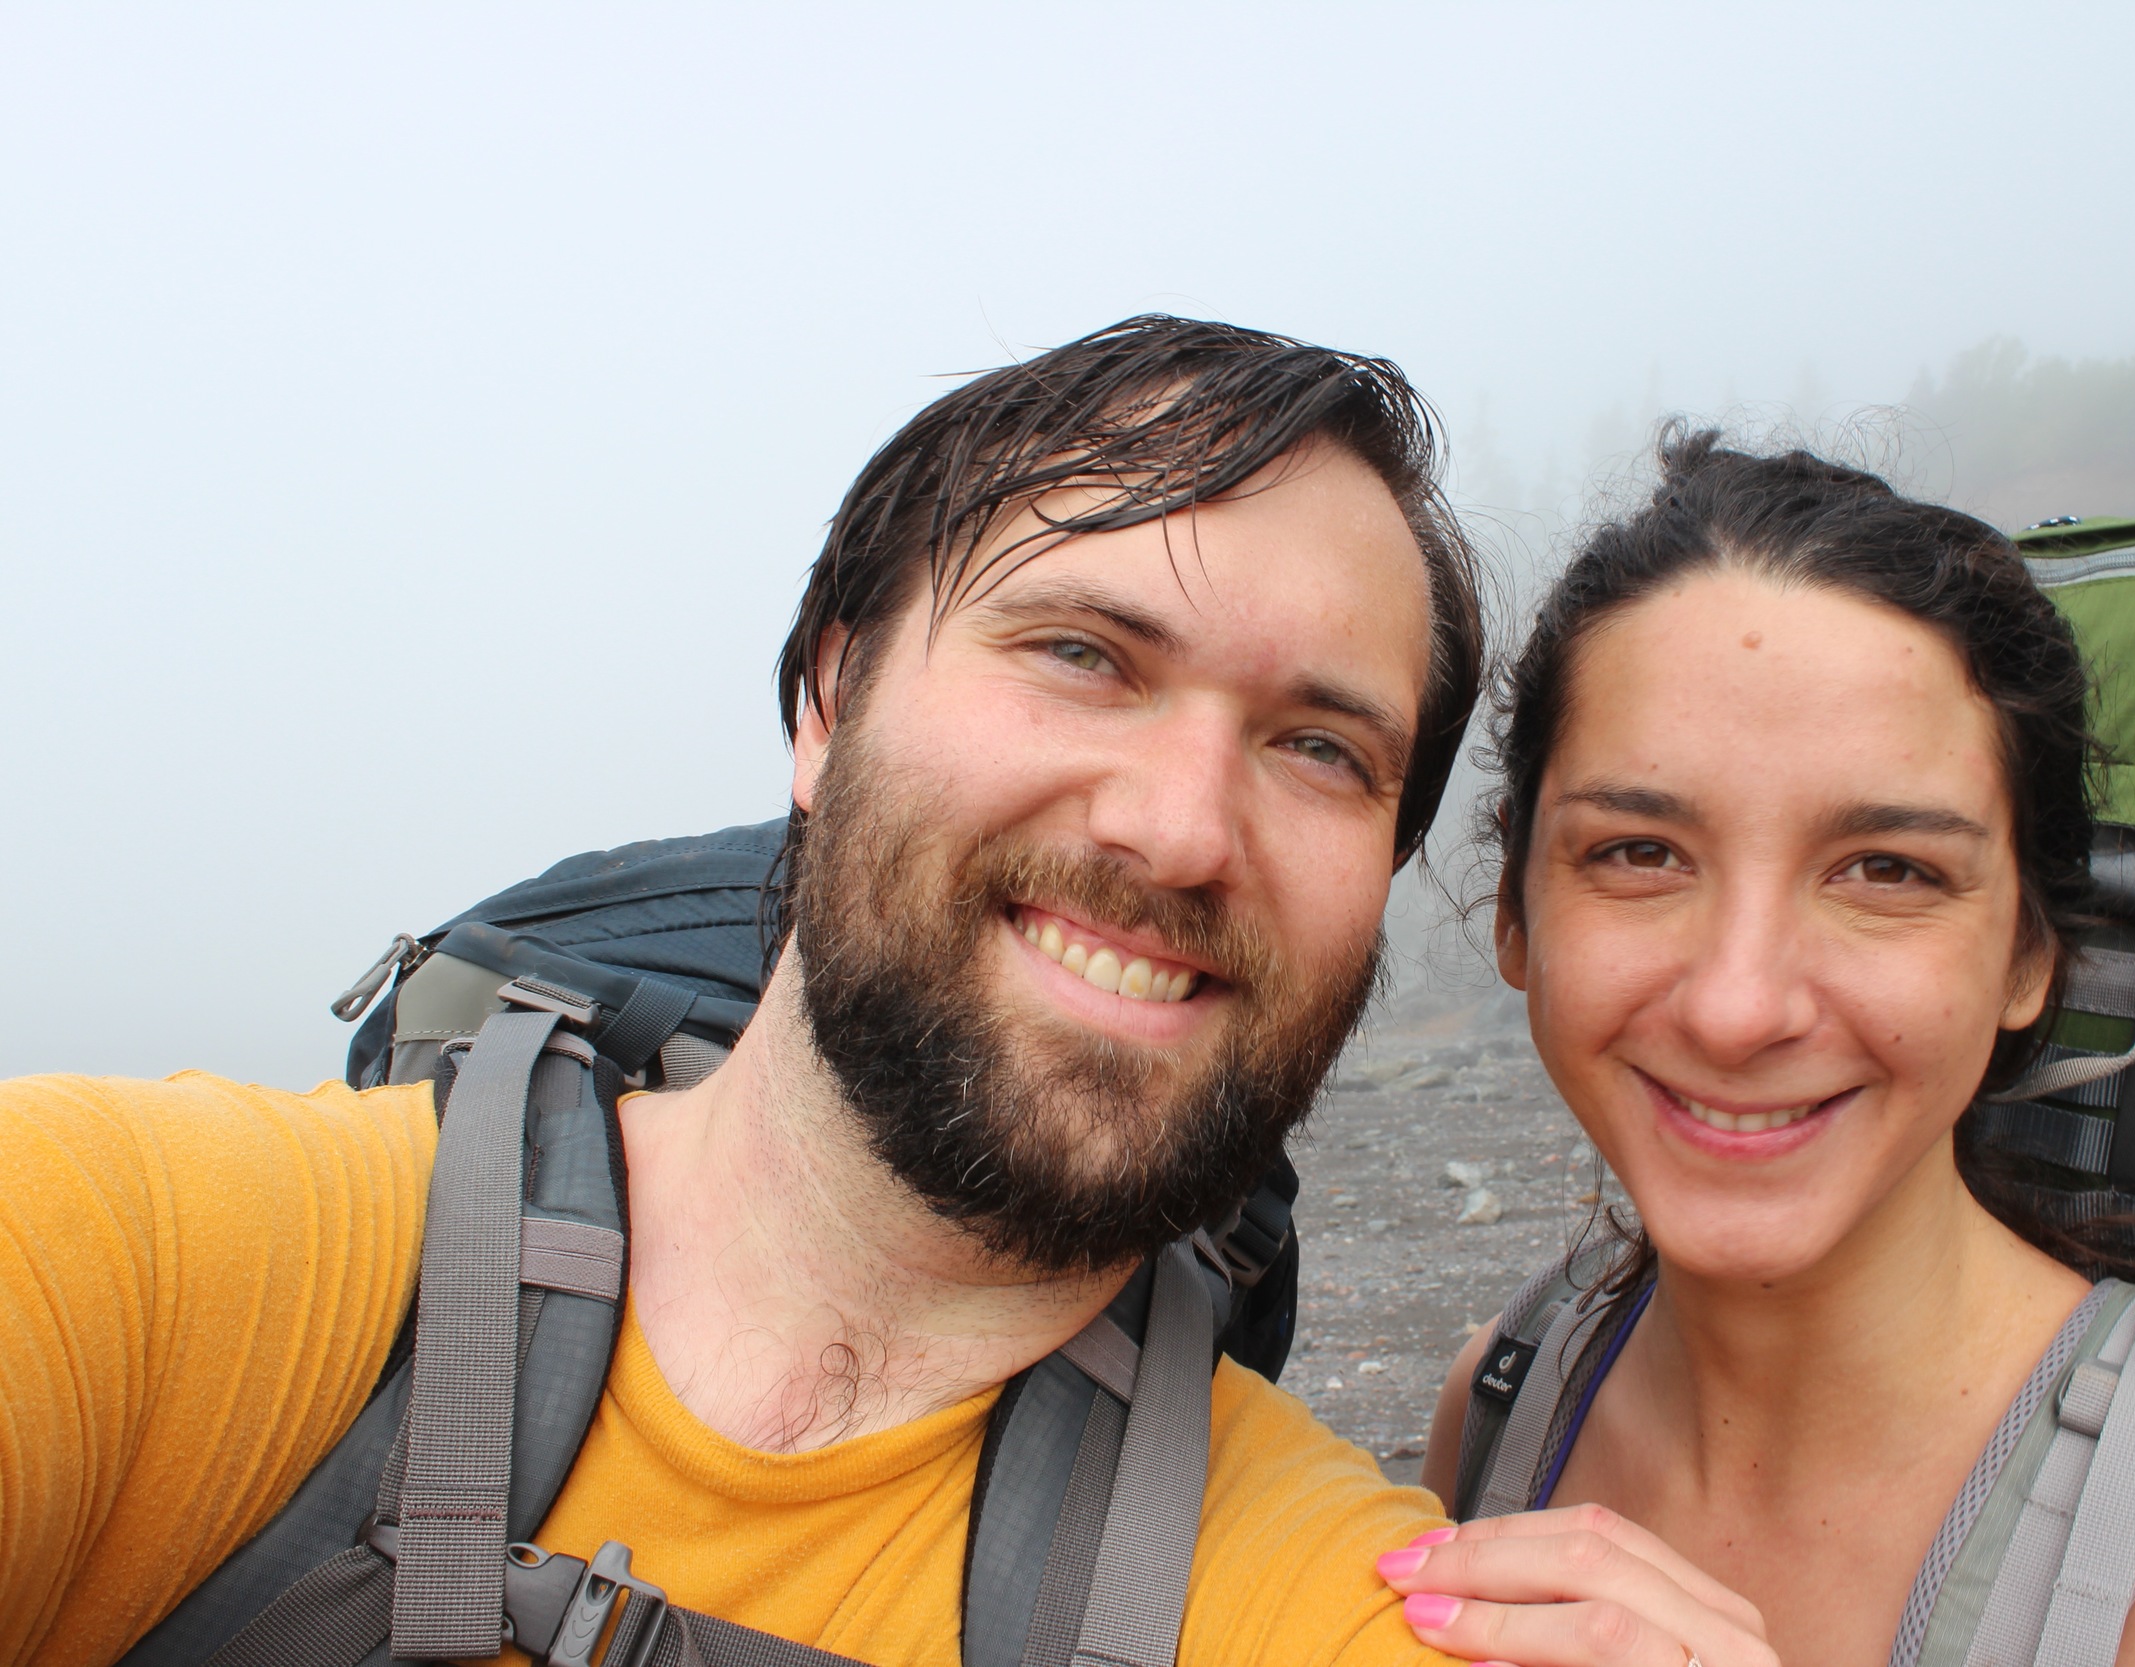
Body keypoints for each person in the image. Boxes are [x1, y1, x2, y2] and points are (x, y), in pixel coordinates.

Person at [0, 316, 1502, 1666]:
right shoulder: (132, 1253)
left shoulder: (1353, 1604)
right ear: (829, 702)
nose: (1180, 830)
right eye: (1083, 653)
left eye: (1320, 747)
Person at [1372, 430, 2135, 1666]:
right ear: (1517, 915)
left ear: (2028, 956)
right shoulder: (1504, 1405)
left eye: (1886, 870)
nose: (1738, 1006)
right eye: (1639, 852)